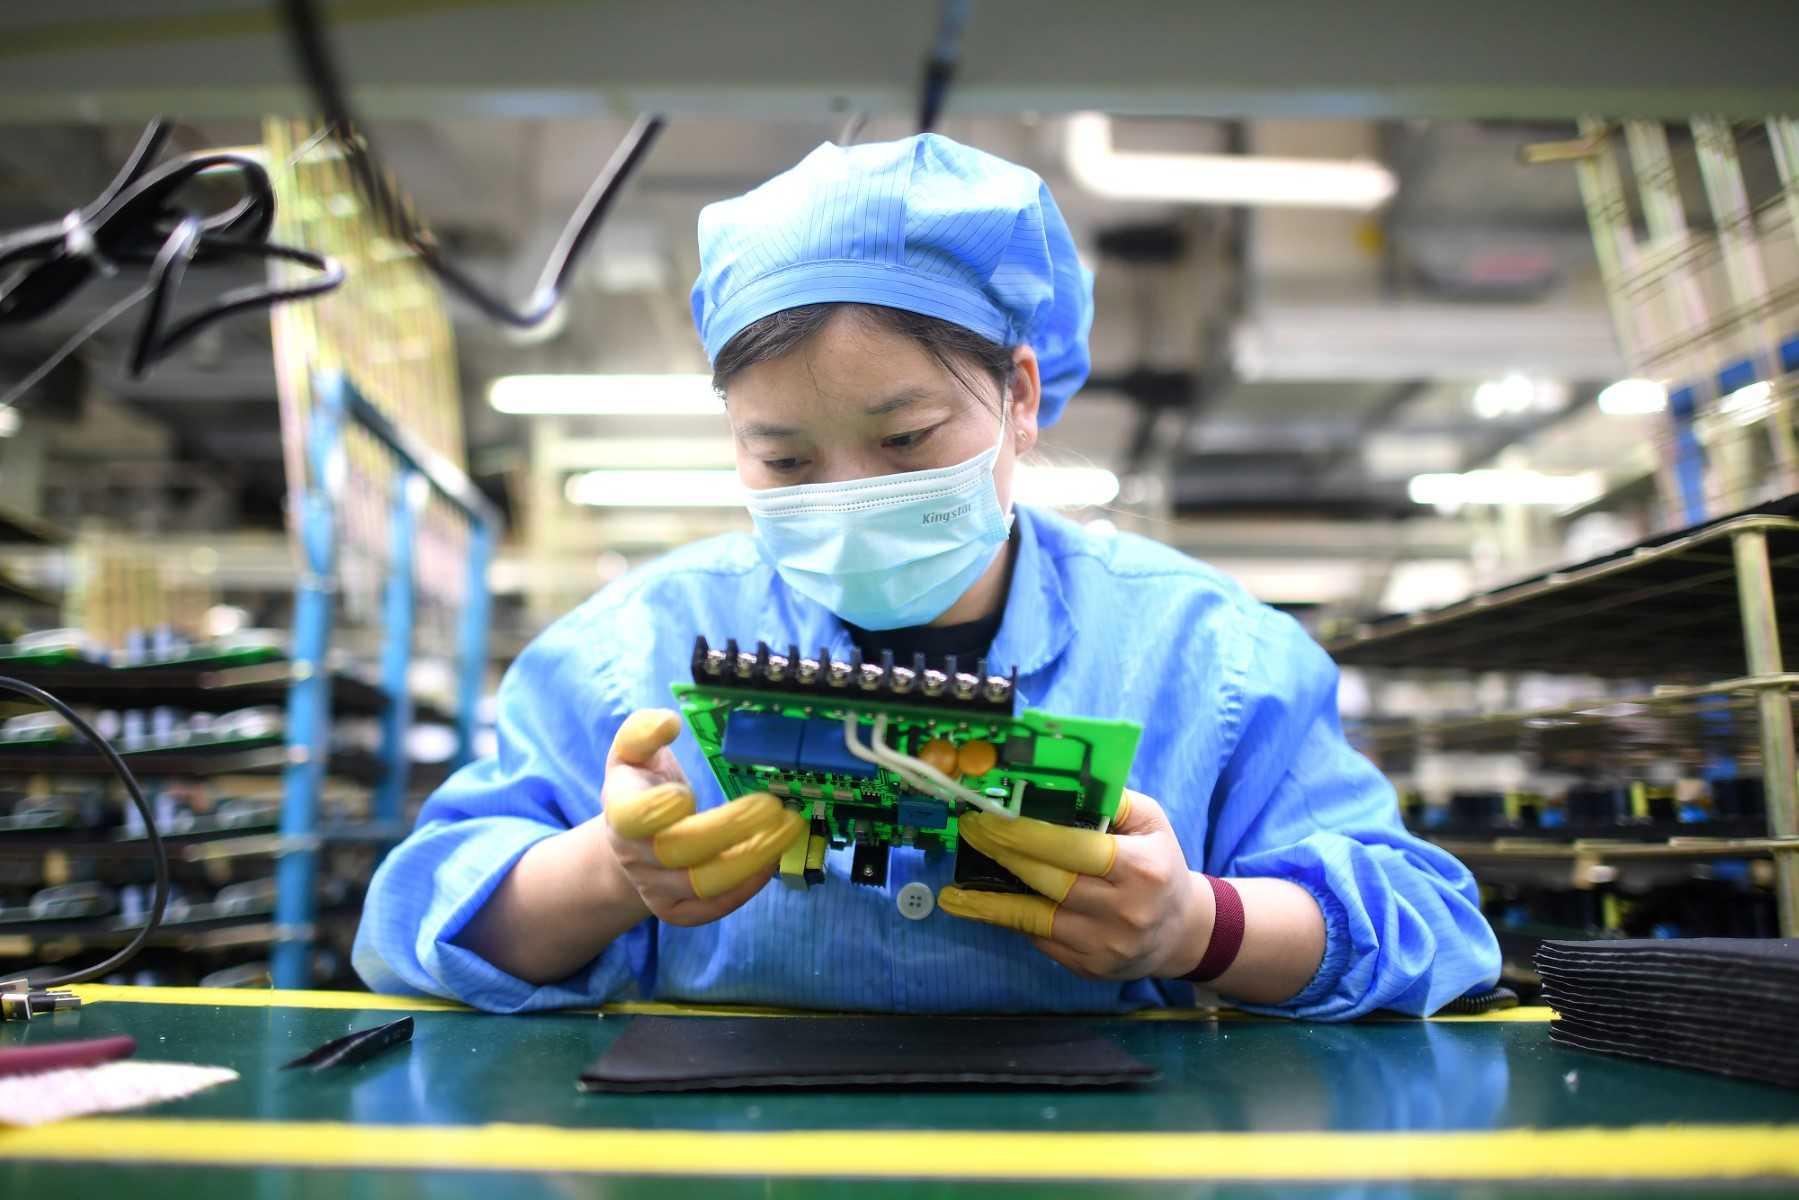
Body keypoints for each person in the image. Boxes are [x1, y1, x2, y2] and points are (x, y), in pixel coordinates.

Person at [353, 133, 1500, 1017]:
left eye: (903, 441)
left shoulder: (1212, 658)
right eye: (783, 457)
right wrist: (610, 870)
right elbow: (414, 925)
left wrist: (1197, 925)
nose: (846, 493)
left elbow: (1429, 929)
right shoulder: (626, 652)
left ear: (1020, 393)